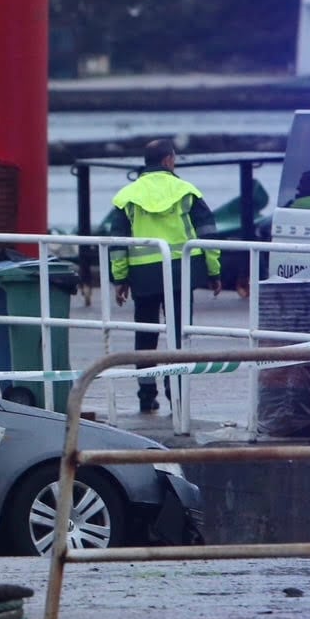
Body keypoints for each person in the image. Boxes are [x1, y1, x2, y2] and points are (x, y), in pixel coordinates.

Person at [109, 140, 222, 414]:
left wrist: (120, 278)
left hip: (143, 275)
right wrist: (215, 270)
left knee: (145, 338)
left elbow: (117, 242)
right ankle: (178, 394)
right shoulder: (186, 191)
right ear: (168, 160)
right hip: (181, 272)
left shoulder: (127, 195)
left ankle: (146, 396)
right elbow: (207, 233)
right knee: (180, 336)